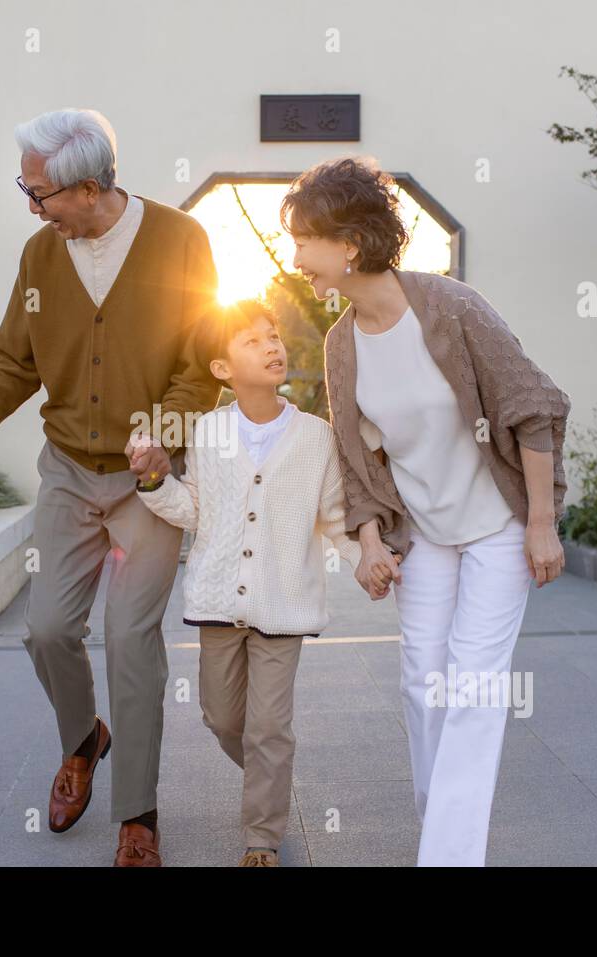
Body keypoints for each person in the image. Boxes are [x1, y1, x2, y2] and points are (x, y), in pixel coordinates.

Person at [0, 108, 221, 866]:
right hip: (67, 470)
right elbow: (14, 362)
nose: (32, 206)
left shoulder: (182, 240)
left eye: (40, 192)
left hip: (147, 480)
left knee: (130, 637)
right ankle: (84, 737)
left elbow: (203, 362)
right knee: (47, 628)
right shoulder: (41, 256)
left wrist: (164, 433)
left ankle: (138, 813)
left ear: (89, 187)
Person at [288, 157, 571, 866]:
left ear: (349, 244)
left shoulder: (452, 309)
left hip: (500, 525)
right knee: (423, 682)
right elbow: (357, 460)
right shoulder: (341, 343)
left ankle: (448, 857)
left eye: (304, 241)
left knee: (473, 685)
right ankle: (444, 831)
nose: (296, 260)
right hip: (427, 533)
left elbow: (533, 407)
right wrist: (367, 539)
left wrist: (541, 522)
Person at [133, 299, 391, 866]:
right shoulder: (207, 431)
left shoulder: (315, 436)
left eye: (272, 336)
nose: (271, 347)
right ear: (222, 369)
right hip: (218, 599)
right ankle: (267, 774)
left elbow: (330, 514)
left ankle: (262, 839)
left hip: (284, 604)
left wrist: (363, 560)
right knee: (223, 718)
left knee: (270, 726)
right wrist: (154, 480)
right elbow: (194, 509)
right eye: (251, 341)